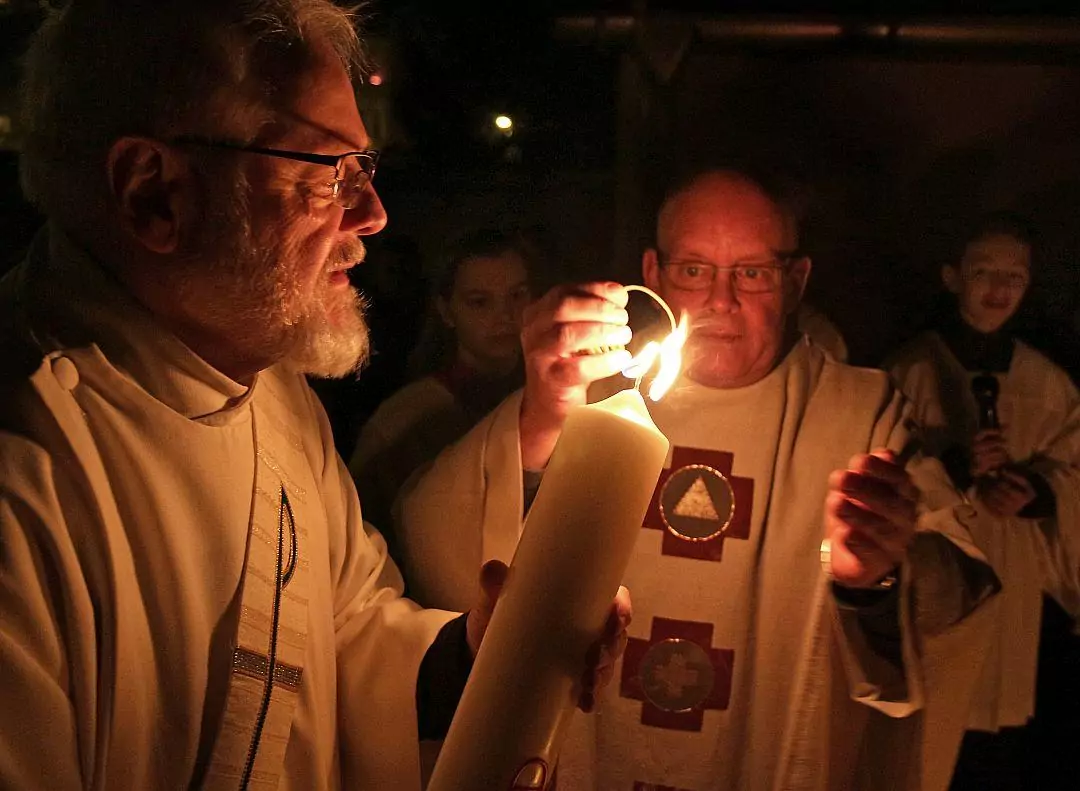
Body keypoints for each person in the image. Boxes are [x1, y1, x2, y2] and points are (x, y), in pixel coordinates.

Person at [0, 2, 628, 789]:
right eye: (328, 174)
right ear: (154, 193)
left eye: (366, 170)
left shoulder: (273, 389)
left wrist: (480, 655)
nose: (373, 214)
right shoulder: (28, 464)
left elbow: (342, 635)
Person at [399, 169, 1001, 790]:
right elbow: (436, 534)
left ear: (796, 282)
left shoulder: (861, 415)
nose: (720, 300)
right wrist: (536, 421)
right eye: (694, 270)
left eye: (752, 273)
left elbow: (960, 599)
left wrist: (875, 577)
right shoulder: (583, 390)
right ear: (653, 275)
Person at [885, 213, 1080, 789]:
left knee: (997, 749)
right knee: (934, 728)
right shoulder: (911, 371)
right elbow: (882, 466)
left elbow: (1071, 467)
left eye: (1013, 277)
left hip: (1014, 578)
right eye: (983, 273)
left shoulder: (1047, 381)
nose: (999, 289)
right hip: (939, 576)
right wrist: (956, 469)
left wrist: (1036, 492)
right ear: (952, 277)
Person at [348, 228, 533, 564]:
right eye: (480, 302)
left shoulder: (550, 399)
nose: (505, 316)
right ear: (447, 311)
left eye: (517, 295)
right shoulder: (404, 420)